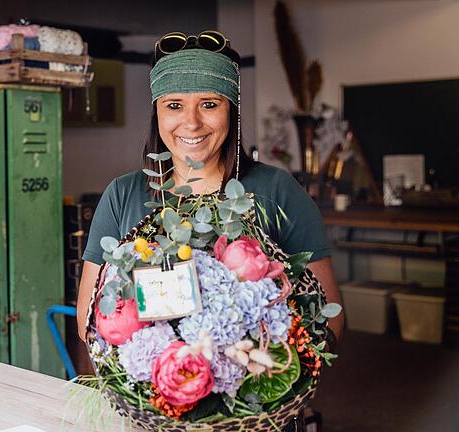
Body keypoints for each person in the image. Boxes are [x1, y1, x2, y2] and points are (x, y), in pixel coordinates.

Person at [76, 30, 343, 353]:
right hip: (152, 395)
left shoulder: (277, 191)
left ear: (230, 110)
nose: (191, 122)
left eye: (209, 104)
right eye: (174, 105)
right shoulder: (122, 196)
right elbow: (89, 321)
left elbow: (328, 320)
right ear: (157, 113)